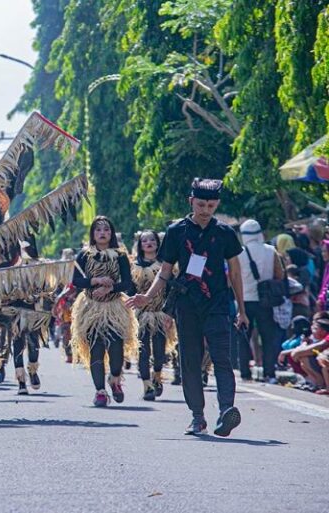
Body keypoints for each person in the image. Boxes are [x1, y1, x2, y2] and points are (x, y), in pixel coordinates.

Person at [128, 178, 248, 437]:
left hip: (217, 303)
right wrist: (146, 297)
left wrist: (242, 309)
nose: (206, 210)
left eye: (212, 205)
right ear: (191, 201)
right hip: (187, 304)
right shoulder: (176, 231)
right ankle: (198, 417)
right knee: (190, 361)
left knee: (222, 358)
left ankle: (227, 409)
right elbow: (165, 272)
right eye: (201, 204)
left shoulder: (225, 232)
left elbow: (236, 273)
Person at [71, 216, 137, 407]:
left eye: (106, 229)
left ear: (112, 233)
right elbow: (76, 281)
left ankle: (115, 379)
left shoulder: (121, 256)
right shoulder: (84, 255)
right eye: (98, 230)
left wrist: (110, 288)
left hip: (114, 307)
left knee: (116, 345)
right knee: (96, 349)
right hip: (90, 308)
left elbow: (127, 283)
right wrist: (95, 281)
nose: (102, 233)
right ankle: (100, 392)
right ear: (92, 233)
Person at [237, 219, 285, 384]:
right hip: (266, 300)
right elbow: (280, 275)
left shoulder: (238, 253)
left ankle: (245, 373)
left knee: (244, 337)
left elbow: (232, 278)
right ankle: (269, 372)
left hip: (244, 301)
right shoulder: (271, 251)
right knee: (267, 337)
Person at [131, 230, 177, 401]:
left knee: (159, 352)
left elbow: (171, 291)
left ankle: (157, 376)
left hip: (160, 314)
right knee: (143, 350)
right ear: (140, 245)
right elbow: (130, 291)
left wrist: (169, 313)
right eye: (145, 241)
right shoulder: (134, 266)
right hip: (140, 315)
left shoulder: (166, 267)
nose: (149, 243)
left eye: (152, 240)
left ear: (158, 244)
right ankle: (147, 386)